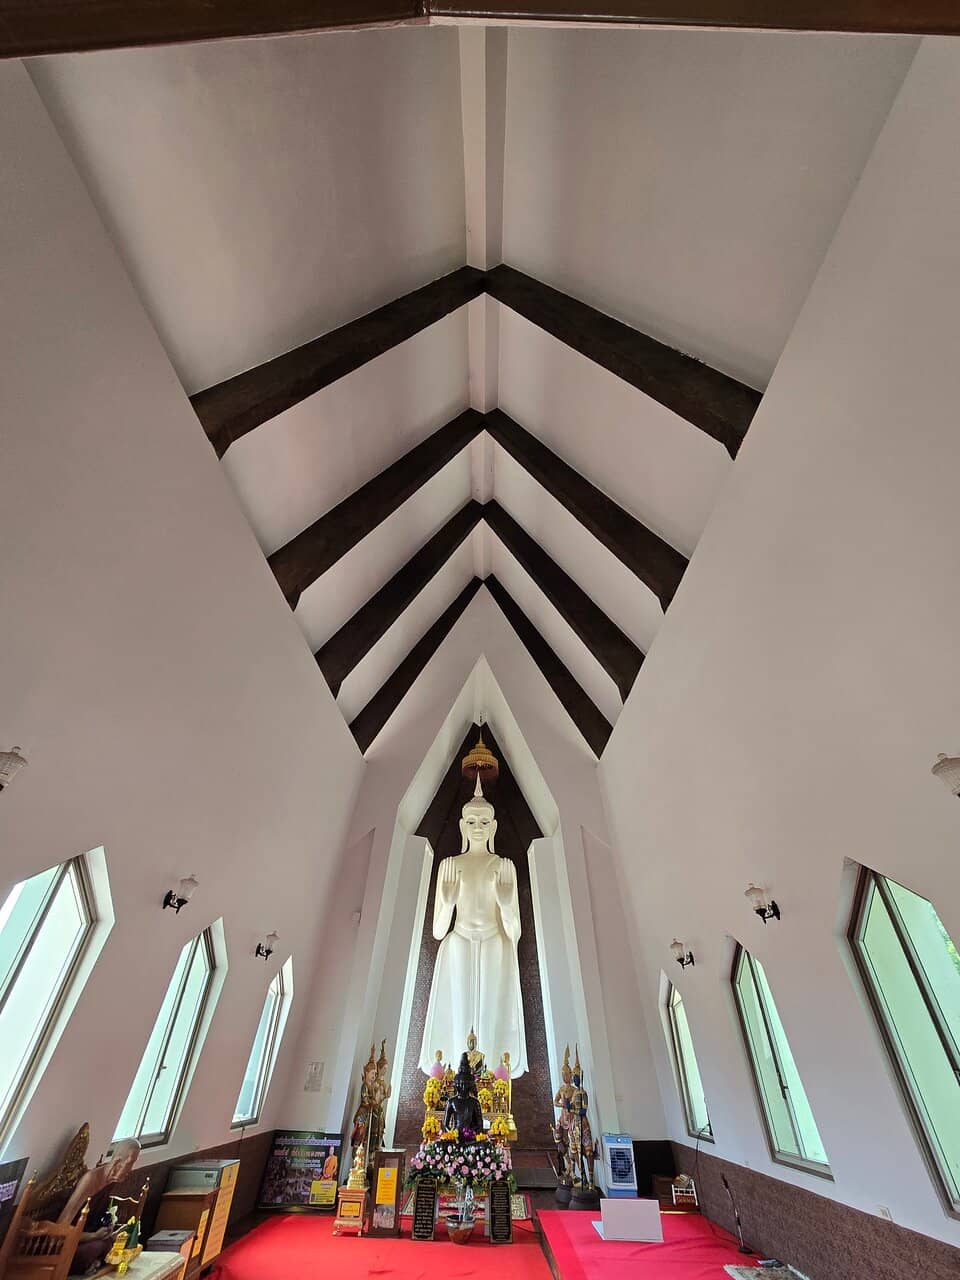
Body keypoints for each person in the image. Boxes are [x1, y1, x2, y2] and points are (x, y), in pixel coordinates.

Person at [418, 777, 527, 1077]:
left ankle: (490, 1078)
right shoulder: (450, 865)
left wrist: (505, 905)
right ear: (463, 826)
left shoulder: (504, 866)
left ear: (493, 827)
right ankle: (455, 1076)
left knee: (489, 1013)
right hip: (460, 940)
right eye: (472, 821)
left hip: (494, 941)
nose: (478, 826)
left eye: (483, 821)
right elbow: (439, 931)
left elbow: (514, 933)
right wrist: (449, 901)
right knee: (460, 1014)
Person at [58, 1138, 140, 1275]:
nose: (130, 1170)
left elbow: (96, 1219)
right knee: (99, 1247)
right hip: (67, 1244)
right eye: (130, 1163)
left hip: (87, 1238)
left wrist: (110, 1231)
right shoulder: (90, 1180)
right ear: (118, 1162)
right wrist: (93, 1236)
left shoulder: (109, 1182)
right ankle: (93, 1263)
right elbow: (61, 1228)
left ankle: (95, 1263)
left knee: (122, 1242)